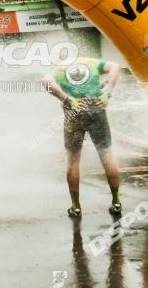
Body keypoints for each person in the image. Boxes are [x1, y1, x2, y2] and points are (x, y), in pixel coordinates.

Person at [44, 57, 122, 219]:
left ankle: (76, 207)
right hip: (97, 108)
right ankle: (116, 202)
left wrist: (66, 99)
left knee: (73, 161)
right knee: (107, 156)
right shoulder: (90, 63)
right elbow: (115, 65)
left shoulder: (59, 69)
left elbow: (45, 81)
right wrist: (108, 91)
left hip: (74, 113)